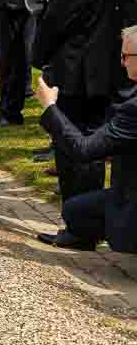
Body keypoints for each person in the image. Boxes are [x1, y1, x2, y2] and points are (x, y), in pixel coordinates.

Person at [31, 0, 129, 202]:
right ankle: (90, 214)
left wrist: (39, 58)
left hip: (74, 71)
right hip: (108, 67)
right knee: (95, 143)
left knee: (71, 146)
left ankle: (77, 221)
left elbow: (54, 23)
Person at [33, 29, 137, 254]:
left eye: (126, 56)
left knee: (77, 212)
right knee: (75, 210)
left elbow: (83, 149)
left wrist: (50, 107)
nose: (121, 62)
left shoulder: (133, 109)